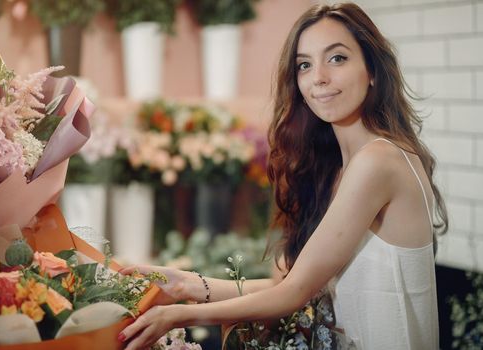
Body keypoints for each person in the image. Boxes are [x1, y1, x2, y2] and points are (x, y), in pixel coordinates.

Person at [118, 2, 448, 349]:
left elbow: (295, 292)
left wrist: (177, 316)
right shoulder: (339, 169)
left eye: (337, 58)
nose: (319, 77)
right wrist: (186, 285)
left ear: (373, 71)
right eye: (304, 65)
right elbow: (288, 283)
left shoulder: (379, 161)